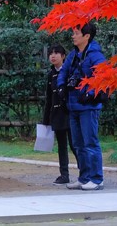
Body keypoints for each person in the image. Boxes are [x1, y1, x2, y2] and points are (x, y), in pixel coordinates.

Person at [57, 23, 107, 191]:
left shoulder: (95, 55)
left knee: (90, 142)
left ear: (87, 36)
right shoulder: (72, 55)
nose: (73, 36)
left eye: (77, 33)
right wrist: (61, 86)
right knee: (78, 144)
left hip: (88, 105)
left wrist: (90, 92)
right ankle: (84, 177)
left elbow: (103, 75)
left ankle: (96, 178)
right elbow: (63, 72)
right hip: (73, 104)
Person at [43, 44, 74, 184]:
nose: (53, 56)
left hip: (70, 113)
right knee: (62, 145)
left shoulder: (70, 71)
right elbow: (49, 98)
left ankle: (85, 173)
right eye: (51, 53)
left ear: (63, 56)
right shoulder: (51, 75)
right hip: (57, 115)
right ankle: (64, 174)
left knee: (75, 144)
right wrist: (46, 119)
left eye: (56, 53)